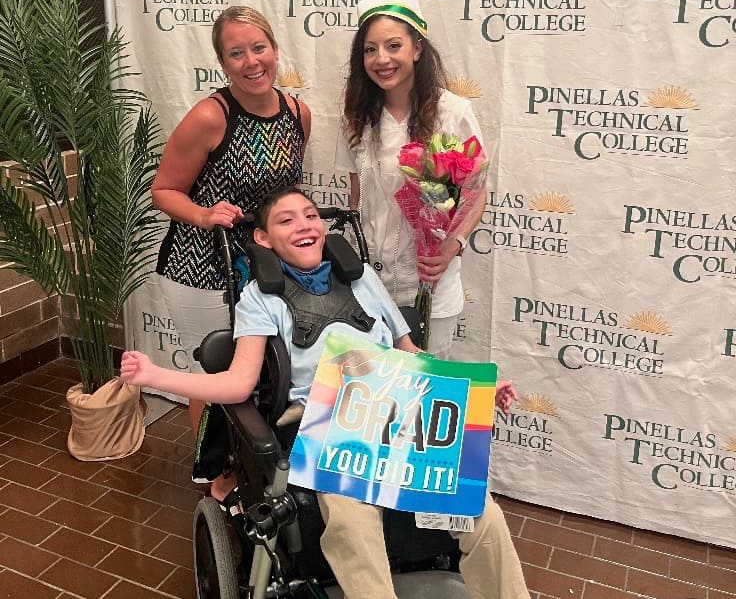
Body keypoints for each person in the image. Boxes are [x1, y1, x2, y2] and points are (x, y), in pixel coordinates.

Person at [122, 187, 530, 599]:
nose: (304, 225)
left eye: (311, 215)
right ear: (263, 238)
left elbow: (411, 354)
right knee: (352, 522)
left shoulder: (364, 278)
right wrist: (156, 375)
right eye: (286, 220)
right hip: (331, 425)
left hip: (396, 415)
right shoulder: (260, 299)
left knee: (480, 513)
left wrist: (472, 391)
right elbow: (237, 383)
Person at [151, 5, 311, 500]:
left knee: (263, 375)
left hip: (266, 270)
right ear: (223, 64)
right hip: (202, 265)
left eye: (258, 48)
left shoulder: (297, 113)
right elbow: (164, 189)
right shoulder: (209, 116)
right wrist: (204, 214)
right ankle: (214, 475)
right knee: (217, 374)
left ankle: (251, 465)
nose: (251, 61)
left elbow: (288, 189)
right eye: (236, 53)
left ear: (275, 51)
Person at [335, 0, 486, 360]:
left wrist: (453, 246)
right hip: (368, 284)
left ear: (417, 49)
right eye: (370, 50)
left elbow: (477, 192)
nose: (381, 59)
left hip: (429, 283)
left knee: (424, 395)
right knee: (374, 394)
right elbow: (356, 199)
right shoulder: (357, 118)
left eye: (393, 46)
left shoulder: (452, 112)